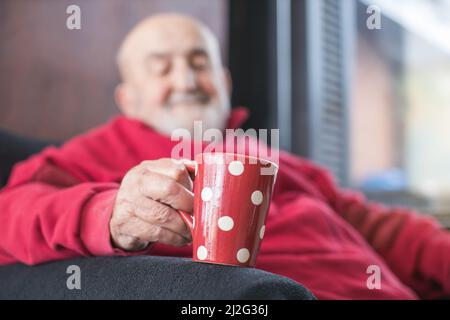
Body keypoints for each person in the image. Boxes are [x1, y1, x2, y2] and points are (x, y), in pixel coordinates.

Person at [0, 14, 449, 300]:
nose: (186, 79)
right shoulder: (93, 154)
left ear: (225, 80)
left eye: (200, 63)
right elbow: (11, 214)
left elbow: (375, 226)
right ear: (129, 98)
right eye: (162, 67)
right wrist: (110, 214)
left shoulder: (270, 154)